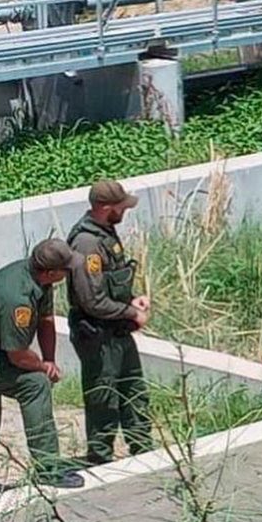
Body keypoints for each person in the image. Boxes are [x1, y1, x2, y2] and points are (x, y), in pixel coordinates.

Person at [0, 239, 84, 504]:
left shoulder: (37, 279)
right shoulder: (17, 297)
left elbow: (45, 322)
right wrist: (44, 368)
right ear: (51, 272)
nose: (69, 273)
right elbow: (18, 355)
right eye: (66, 269)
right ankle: (47, 468)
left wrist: (50, 358)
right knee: (34, 384)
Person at [67, 179, 152, 466]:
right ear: (105, 208)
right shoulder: (87, 244)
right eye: (120, 207)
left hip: (116, 329)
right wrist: (131, 313)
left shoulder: (105, 232)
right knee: (104, 397)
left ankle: (142, 449)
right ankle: (100, 458)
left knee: (134, 390)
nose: (124, 212)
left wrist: (132, 302)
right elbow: (92, 301)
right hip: (98, 335)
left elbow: (109, 287)